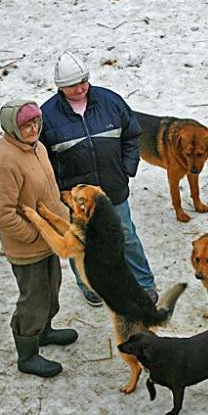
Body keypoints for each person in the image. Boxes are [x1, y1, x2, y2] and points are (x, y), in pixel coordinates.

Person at [39, 50, 159, 306]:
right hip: (75, 200)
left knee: (126, 236)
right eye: (72, 86)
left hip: (112, 190)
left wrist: (127, 167)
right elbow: (42, 159)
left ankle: (144, 283)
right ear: (60, 87)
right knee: (80, 244)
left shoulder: (110, 102)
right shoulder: (47, 116)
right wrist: (60, 191)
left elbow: (132, 134)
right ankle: (88, 284)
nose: (80, 89)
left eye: (83, 81)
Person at [0, 99, 78, 378]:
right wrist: (32, 235)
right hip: (28, 246)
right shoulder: (5, 160)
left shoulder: (36, 147)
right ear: (12, 127)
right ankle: (27, 353)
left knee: (51, 290)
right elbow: (2, 213)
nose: (33, 128)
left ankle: (44, 331)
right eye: (26, 124)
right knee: (34, 298)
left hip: (49, 239)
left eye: (36, 122)